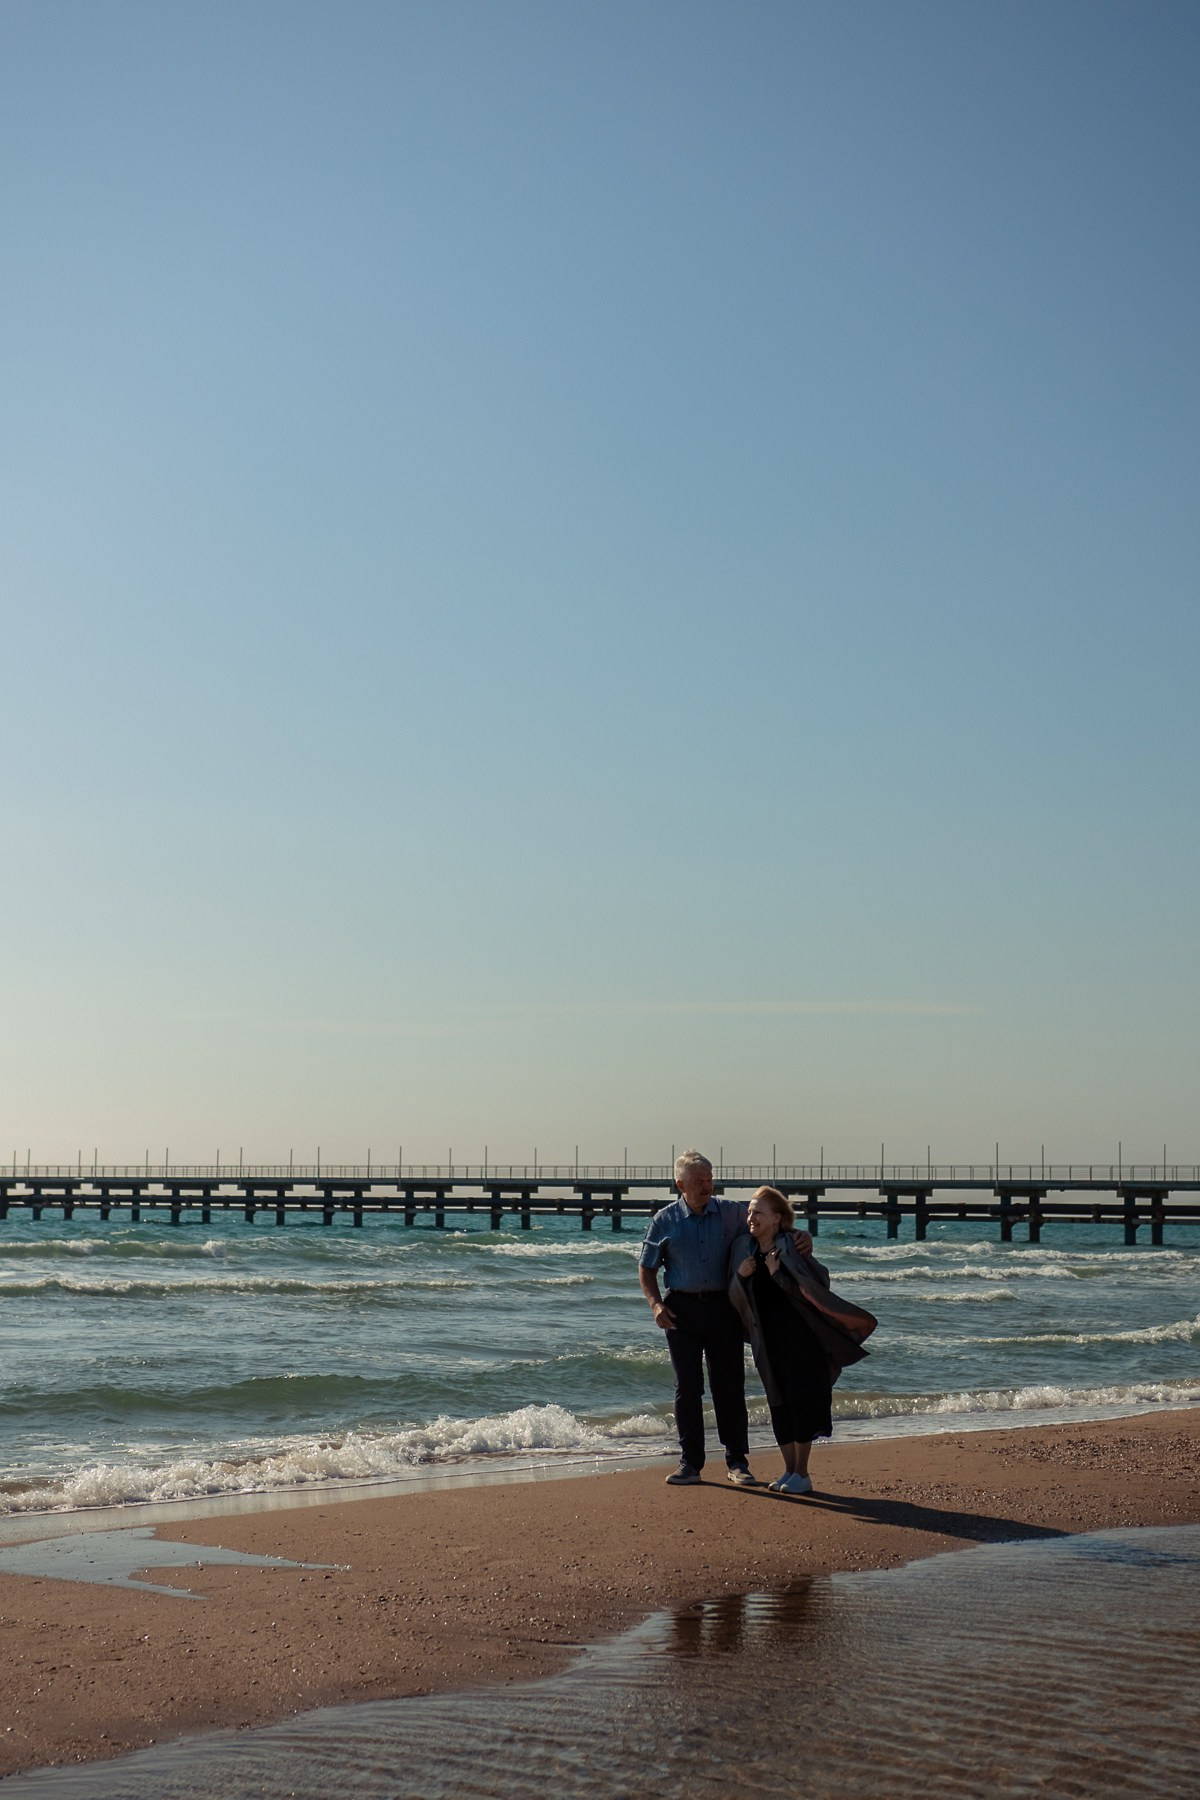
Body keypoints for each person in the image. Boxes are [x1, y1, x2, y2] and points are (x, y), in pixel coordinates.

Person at [638, 1149, 813, 1488]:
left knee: (729, 1386)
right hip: (681, 1310)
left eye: (710, 1180)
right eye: (699, 1182)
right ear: (680, 1185)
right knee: (687, 1388)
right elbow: (646, 1269)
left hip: (723, 1308)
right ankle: (690, 1463)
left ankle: (737, 1462)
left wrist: (798, 1234)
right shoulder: (665, 1220)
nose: (707, 1187)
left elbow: (768, 1221)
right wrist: (656, 1305)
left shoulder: (732, 1213)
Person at [728, 1185, 877, 1495]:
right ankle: (788, 1471)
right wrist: (740, 1277)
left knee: (801, 1402)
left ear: (777, 1219)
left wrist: (777, 1274)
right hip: (767, 1342)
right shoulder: (742, 1247)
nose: (750, 1217)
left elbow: (816, 1285)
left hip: (801, 1338)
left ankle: (802, 1473)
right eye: (750, 1212)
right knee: (778, 1402)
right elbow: (734, 1298)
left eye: (758, 1212)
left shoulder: (791, 1245)